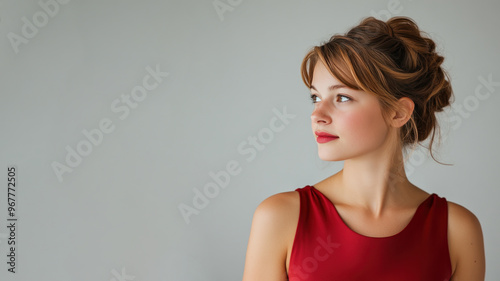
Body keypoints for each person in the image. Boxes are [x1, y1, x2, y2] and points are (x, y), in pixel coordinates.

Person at [241, 16, 485, 281]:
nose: (317, 115)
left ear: (398, 112)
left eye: (342, 97)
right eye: (316, 98)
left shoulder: (457, 230)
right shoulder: (280, 217)